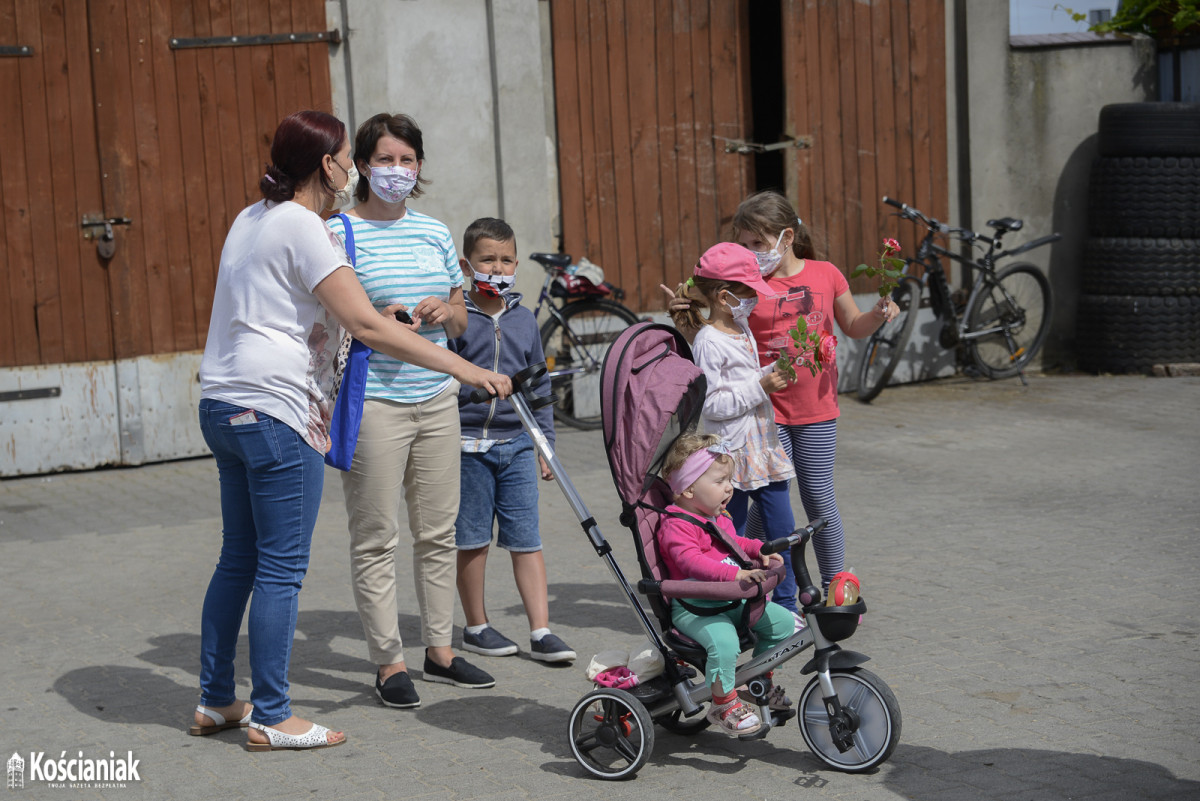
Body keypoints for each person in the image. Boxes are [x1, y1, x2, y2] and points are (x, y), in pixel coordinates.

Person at [193, 110, 510, 751]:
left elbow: (324, 312)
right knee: (281, 571)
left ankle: (217, 699)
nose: (356, 168)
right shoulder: (307, 227)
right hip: (278, 410)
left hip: (223, 403)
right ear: (328, 166)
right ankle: (274, 715)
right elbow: (366, 327)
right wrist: (466, 369)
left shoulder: (248, 218)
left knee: (238, 560)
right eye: (347, 156)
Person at [327, 113, 495, 710]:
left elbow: (461, 315)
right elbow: (336, 317)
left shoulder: (434, 232)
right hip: (375, 401)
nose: (396, 170)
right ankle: (388, 662)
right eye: (385, 159)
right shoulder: (338, 231)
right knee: (376, 536)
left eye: (407, 159)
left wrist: (441, 310)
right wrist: (383, 319)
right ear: (363, 166)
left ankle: (441, 651)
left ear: (419, 166)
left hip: (437, 397)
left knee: (438, 531)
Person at [731, 191, 897, 592]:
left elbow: (853, 325)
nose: (752, 252)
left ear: (787, 237)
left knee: (818, 496)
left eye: (759, 243)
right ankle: (760, 581)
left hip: (816, 410)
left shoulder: (826, 273)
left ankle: (836, 583)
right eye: (745, 244)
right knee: (766, 499)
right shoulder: (744, 283)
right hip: (764, 411)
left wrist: (877, 314)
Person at [447, 217, 576, 664]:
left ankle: (541, 631)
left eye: (505, 260)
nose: (497, 268)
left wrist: (545, 443)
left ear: (517, 264)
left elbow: (539, 387)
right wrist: (474, 388)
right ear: (467, 265)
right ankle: (476, 626)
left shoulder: (524, 320)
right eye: (488, 259)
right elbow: (444, 378)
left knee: (527, 538)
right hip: (468, 447)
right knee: (473, 538)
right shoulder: (456, 317)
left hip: (518, 445)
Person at [667, 243, 800, 623]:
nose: (756, 298)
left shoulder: (740, 327)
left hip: (761, 444)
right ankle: (737, 601)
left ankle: (786, 606)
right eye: (750, 292)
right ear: (725, 297)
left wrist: (774, 369)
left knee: (782, 530)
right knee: (729, 533)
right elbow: (712, 405)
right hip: (730, 454)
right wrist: (763, 387)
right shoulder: (709, 342)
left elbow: (742, 379)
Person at [656, 431, 794, 736]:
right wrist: (735, 575)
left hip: (733, 600)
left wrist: (760, 550)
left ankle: (759, 681)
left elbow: (736, 541)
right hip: (697, 609)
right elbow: (691, 562)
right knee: (725, 643)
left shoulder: (718, 516)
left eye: (729, 481)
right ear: (689, 488)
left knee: (784, 624)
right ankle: (723, 704)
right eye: (719, 482)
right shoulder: (676, 524)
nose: (729, 488)